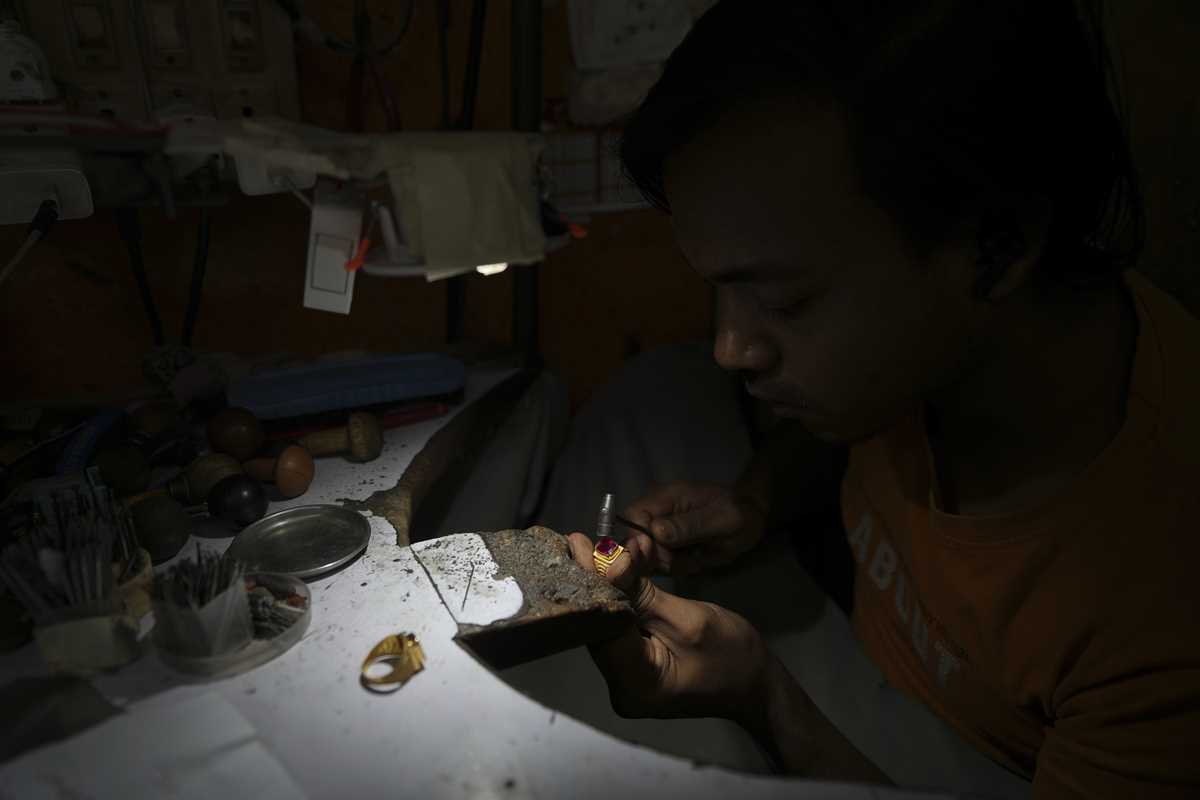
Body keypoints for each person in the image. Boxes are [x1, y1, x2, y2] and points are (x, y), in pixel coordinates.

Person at [561, 1, 1200, 796]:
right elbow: (854, 432)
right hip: (850, 641)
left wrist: (765, 700)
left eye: (785, 301)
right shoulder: (939, 352)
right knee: (653, 392)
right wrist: (758, 500)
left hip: (955, 765)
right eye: (720, 291)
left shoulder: (1162, 601)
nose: (731, 348)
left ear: (996, 247)